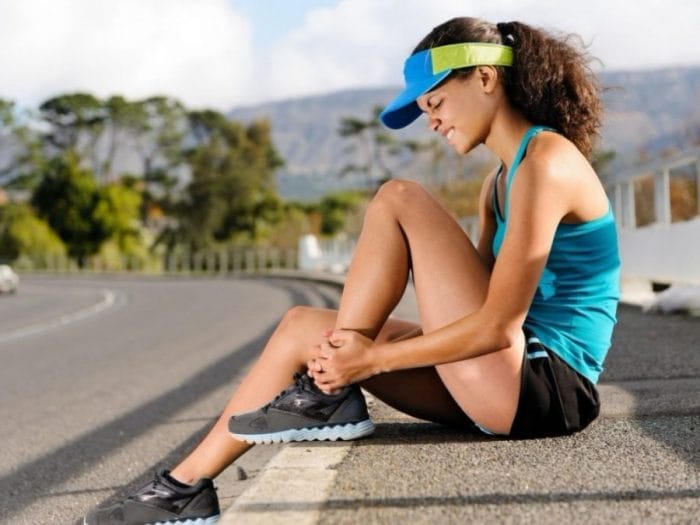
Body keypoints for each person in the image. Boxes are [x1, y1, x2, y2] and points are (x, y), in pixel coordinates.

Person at [83, 16, 620, 525]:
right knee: (301, 326)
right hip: (498, 380)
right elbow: (471, 307)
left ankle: (329, 392)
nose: (432, 121)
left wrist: (374, 358)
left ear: (485, 78)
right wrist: (354, 353)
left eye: (435, 102)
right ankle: (183, 490)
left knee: (400, 197)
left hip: (544, 388)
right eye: (425, 110)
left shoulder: (546, 162)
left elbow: (496, 326)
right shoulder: (497, 185)